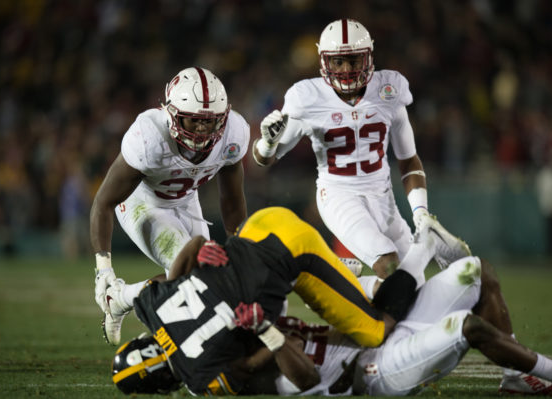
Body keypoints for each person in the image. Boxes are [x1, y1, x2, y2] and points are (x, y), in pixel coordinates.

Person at [108, 206, 470, 395]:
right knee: (275, 310)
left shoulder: (202, 375)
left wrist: (265, 333)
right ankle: (351, 277)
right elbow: (173, 273)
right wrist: (202, 247)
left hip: (292, 252)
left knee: (375, 331)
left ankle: (426, 245)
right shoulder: (155, 309)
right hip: (258, 226)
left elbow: (256, 362)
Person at [253, 19, 469, 279]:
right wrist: (267, 142)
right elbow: (266, 159)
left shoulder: (389, 90)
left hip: (383, 196)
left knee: (414, 283)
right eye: (338, 61)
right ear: (324, 61)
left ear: (368, 58)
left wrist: (420, 213)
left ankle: (341, 275)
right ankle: (333, 272)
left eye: (354, 60)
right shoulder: (306, 98)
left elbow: (409, 159)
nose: (346, 69)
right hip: (338, 195)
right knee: (389, 265)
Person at [232, 257, 552, 397]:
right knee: (464, 325)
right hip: (374, 372)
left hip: (377, 334)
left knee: (474, 270)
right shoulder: (244, 367)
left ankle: (515, 378)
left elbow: (292, 275)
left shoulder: (253, 311)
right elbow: (306, 379)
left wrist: (337, 268)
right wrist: (266, 331)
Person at [90, 67, 249, 345]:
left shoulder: (234, 133)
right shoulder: (149, 136)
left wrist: (241, 246)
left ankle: (120, 299)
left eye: (209, 121)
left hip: (187, 201)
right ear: (172, 114)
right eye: (193, 120)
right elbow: (104, 201)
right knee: (194, 277)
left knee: (211, 281)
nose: (201, 129)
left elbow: (232, 199)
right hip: (143, 203)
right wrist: (103, 268)